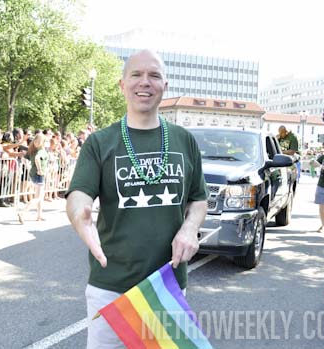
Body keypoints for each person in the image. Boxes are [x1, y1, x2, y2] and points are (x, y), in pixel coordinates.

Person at [65, 50, 208, 348]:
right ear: (122, 84)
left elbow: (198, 199)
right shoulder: (100, 142)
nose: (145, 82)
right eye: (137, 74)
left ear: (165, 85)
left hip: (167, 286)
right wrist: (80, 215)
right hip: (111, 287)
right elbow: (79, 194)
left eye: (154, 75)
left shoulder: (184, 139)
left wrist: (190, 227)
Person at [18, 133, 48, 223]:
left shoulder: (32, 150)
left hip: (33, 174)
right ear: (44, 142)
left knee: (39, 196)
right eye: (37, 141)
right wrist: (39, 170)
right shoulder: (41, 151)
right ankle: (23, 213)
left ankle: (39, 215)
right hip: (39, 175)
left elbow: (24, 157)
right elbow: (37, 159)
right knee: (38, 197)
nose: (37, 143)